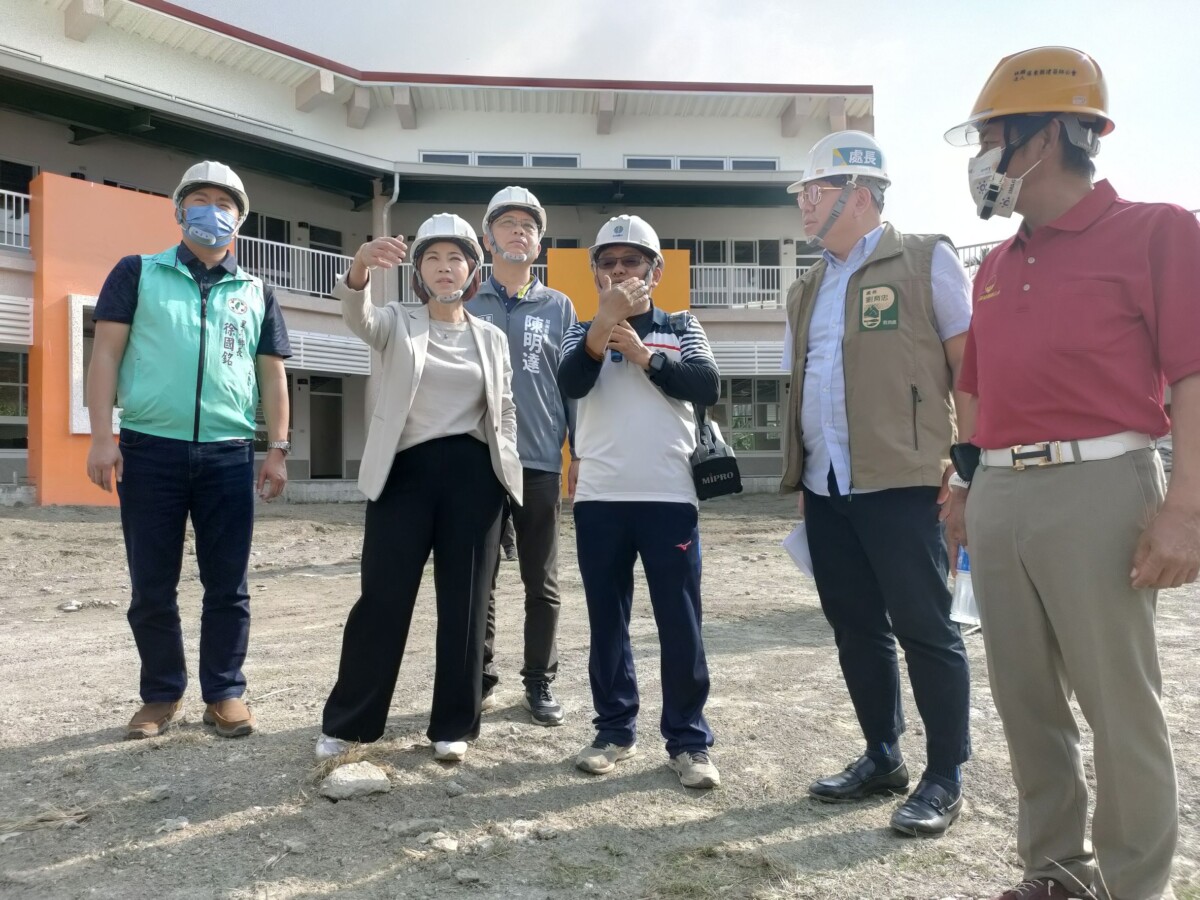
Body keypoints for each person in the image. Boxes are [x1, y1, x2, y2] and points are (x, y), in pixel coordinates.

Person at [942, 46, 1200, 900]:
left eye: (991, 135)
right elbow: (974, 386)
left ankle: (1136, 887)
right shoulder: (998, 264)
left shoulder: (1158, 230)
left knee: (1119, 706)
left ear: (1047, 135)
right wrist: (964, 479)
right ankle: (1056, 870)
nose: (981, 155)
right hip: (1003, 492)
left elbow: (1193, 373)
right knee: (1026, 702)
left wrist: (1187, 508)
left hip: (1103, 483)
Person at [779, 131, 973, 836]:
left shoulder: (925, 261)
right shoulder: (806, 287)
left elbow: (969, 369)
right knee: (856, 627)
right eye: (803, 193)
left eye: (815, 191)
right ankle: (883, 753)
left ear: (859, 194)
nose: (803, 203)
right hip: (830, 489)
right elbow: (806, 388)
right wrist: (804, 479)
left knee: (925, 628)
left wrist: (971, 465)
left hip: (906, 482)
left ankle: (945, 773)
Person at [85, 161, 292, 740]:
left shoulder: (256, 291)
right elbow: (104, 356)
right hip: (151, 451)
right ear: (179, 211)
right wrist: (104, 435)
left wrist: (276, 448)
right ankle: (161, 693)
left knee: (228, 584)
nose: (211, 211)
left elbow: (272, 376)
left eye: (224, 204)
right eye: (199, 199)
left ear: (239, 220)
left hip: (228, 454)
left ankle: (224, 692)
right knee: (152, 583)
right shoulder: (138, 273)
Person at [317, 213, 522, 764]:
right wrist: (359, 268)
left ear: (472, 270)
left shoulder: (492, 336)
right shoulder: (394, 322)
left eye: (455, 258)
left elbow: (503, 410)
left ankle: (453, 725)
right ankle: (351, 723)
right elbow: (356, 315)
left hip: (475, 479)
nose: (444, 268)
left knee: (466, 605)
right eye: (433, 258)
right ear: (418, 271)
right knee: (382, 601)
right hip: (403, 474)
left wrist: (509, 482)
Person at [558, 215, 722, 789]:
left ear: (657, 270)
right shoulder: (581, 330)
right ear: (596, 272)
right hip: (600, 497)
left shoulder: (681, 326)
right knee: (607, 621)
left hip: (669, 496)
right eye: (610, 262)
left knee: (680, 621)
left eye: (633, 261)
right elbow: (572, 383)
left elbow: (706, 383)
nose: (621, 271)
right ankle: (613, 729)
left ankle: (689, 739)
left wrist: (649, 356)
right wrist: (603, 328)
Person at [466, 186, 578, 725]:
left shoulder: (560, 307)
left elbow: (571, 387)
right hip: (476, 461)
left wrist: (575, 451)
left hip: (538, 462)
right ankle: (478, 677)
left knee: (543, 581)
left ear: (539, 243)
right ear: (488, 238)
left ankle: (539, 681)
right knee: (478, 576)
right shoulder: (466, 298)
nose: (518, 232)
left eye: (528, 226)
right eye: (507, 223)